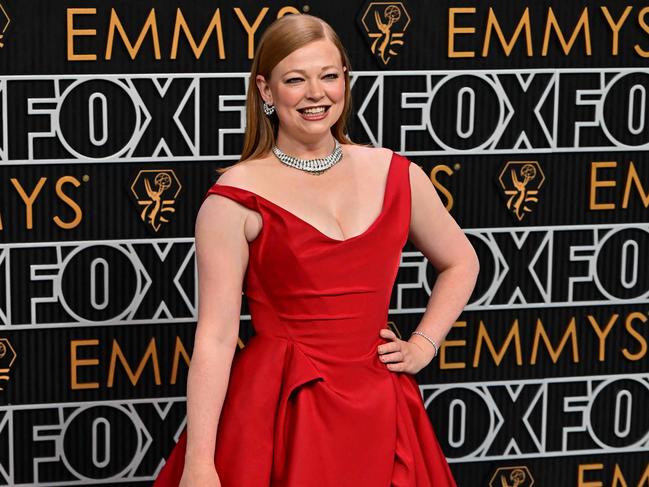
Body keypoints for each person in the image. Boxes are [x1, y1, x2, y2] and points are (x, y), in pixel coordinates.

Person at [154, 13, 479, 487]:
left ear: (345, 81)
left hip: (380, 406)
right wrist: (201, 464)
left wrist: (423, 345)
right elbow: (216, 338)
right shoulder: (235, 196)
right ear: (265, 91)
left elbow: (461, 259)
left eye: (329, 76)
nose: (316, 93)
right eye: (295, 80)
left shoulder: (396, 173)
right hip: (281, 411)